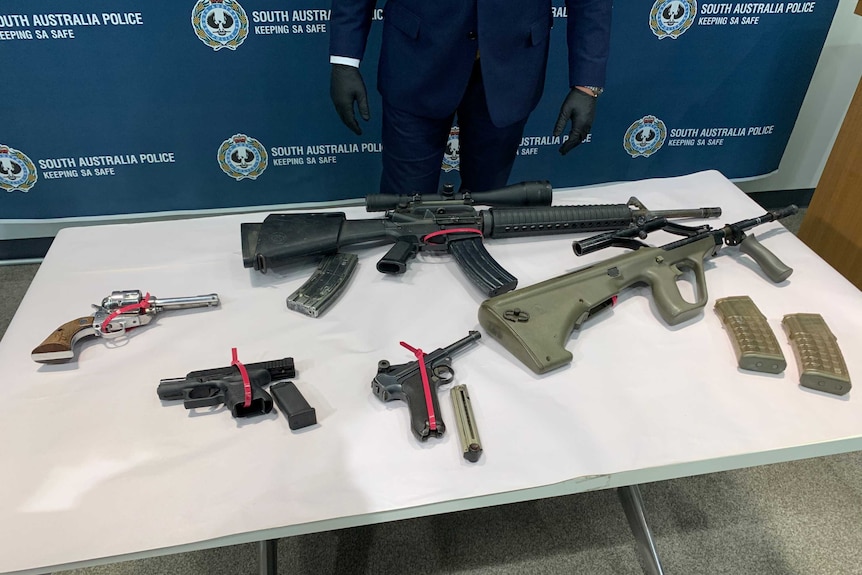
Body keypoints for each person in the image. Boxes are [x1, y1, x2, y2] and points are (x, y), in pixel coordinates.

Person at [329, 1, 612, 195]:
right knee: (405, 206)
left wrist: (587, 84)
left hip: (511, 67)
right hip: (417, 59)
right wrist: (345, 60)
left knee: (486, 204)